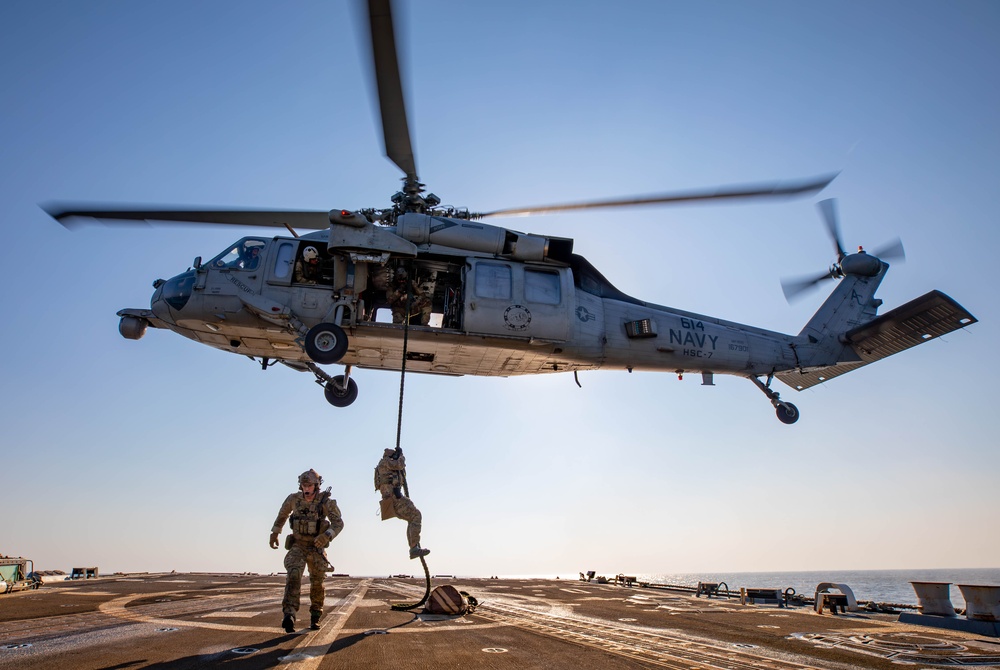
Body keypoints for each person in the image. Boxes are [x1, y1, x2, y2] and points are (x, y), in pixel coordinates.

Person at [269, 469, 344, 632]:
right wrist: (275, 533)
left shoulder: (326, 502)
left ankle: (315, 616)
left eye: (309, 485)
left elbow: (338, 523)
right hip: (298, 545)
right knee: (293, 575)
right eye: (304, 485)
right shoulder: (293, 499)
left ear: (316, 486)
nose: (306, 489)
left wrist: (326, 536)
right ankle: (289, 615)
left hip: (316, 547)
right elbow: (282, 515)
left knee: (317, 581)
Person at [374, 447, 429, 559]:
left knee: (412, 518)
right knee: (416, 515)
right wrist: (401, 455)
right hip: (395, 499)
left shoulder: (385, 464)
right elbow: (400, 464)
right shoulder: (386, 462)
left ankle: (413, 547)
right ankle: (413, 547)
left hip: (392, 500)